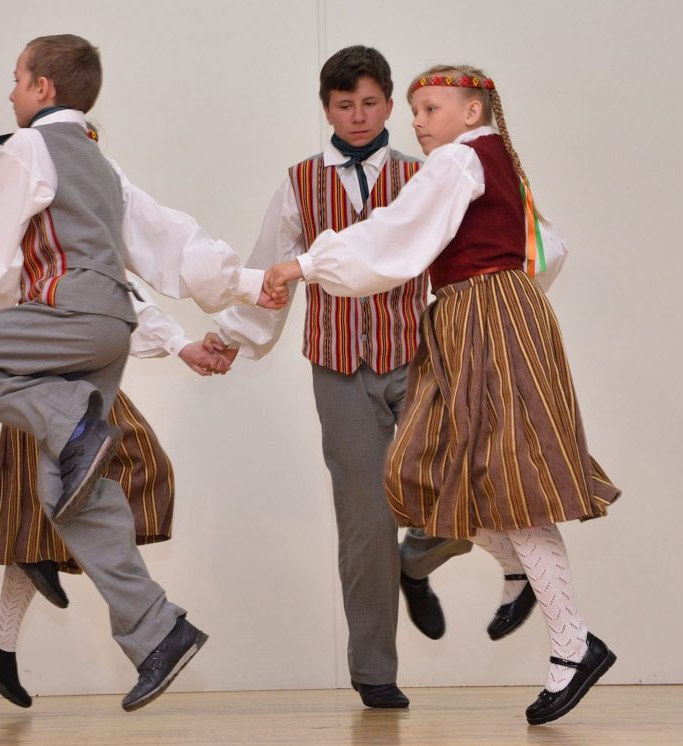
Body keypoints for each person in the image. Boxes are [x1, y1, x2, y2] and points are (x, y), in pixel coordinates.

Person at [0, 34, 282, 710]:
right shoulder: (102, 165)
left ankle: (70, 423)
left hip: (64, 318)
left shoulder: (28, 149)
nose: (10, 91)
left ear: (43, 88)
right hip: (107, 330)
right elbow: (166, 241)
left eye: (17, 79)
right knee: (68, 493)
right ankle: (157, 630)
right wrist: (244, 282)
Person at [263, 64, 617, 725]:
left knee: (508, 485)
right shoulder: (491, 159)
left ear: (471, 113)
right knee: (428, 476)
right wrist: (510, 298)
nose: (418, 121)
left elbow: (394, 236)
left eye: (430, 109)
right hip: (476, 317)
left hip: (483, 319)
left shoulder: (458, 160)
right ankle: (521, 575)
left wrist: (306, 264)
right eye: (417, 110)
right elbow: (550, 247)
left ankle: (572, 644)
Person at [207, 45, 479, 708]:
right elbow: (271, 268)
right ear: (326, 109)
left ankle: (419, 560)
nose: (357, 116)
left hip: (418, 354)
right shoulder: (300, 181)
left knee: (462, 479)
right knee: (365, 521)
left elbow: (463, 260)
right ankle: (374, 670)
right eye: (343, 105)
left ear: (389, 104)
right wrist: (233, 338)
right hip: (338, 369)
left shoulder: (427, 173)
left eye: (369, 103)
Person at [0, 292, 228, 707]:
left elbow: (117, 298)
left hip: (66, 379)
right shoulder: (30, 258)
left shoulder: (73, 260)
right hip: (50, 383)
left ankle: (1, 638)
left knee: (56, 502)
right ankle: (155, 632)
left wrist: (179, 344)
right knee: (100, 485)